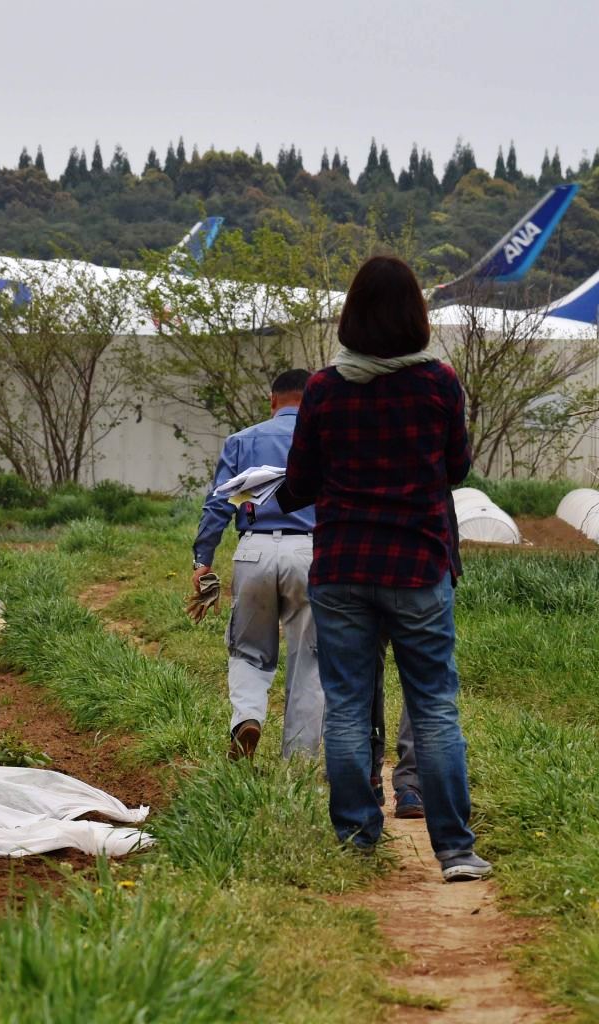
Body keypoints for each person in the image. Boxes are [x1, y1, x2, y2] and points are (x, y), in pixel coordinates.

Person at [283, 255, 489, 882]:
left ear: (351, 316)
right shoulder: (439, 383)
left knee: (346, 703)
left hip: (342, 564)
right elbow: (456, 469)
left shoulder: (323, 388)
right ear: (416, 317)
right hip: (418, 565)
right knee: (433, 706)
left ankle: (356, 838)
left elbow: (300, 483)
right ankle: (454, 851)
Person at [192, 369, 326, 760]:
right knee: (310, 660)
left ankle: (248, 718)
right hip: (309, 552)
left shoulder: (242, 441)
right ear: (313, 401)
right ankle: (298, 762)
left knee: (248, 649)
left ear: (272, 401)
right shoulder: (323, 442)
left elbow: (219, 504)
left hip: (254, 550)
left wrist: (203, 560)